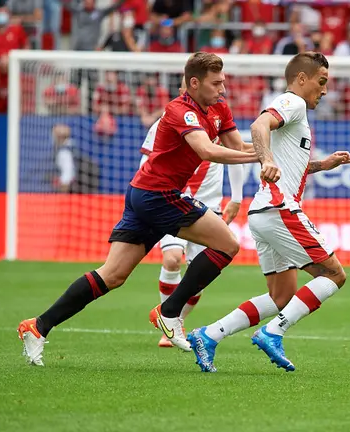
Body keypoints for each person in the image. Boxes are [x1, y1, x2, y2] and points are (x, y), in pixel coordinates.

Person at [17, 52, 259, 365]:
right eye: (216, 83)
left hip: (144, 194)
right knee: (227, 244)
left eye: (223, 82)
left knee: (112, 275)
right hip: (157, 195)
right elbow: (207, 150)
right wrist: (262, 157)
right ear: (195, 83)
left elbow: (237, 146)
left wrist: (270, 151)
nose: (222, 88)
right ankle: (169, 312)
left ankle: (37, 326)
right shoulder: (179, 109)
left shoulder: (219, 108)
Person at [187, 52, 350, 373]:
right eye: (321, 82)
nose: (324, 90)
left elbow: (291, 163)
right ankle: (273, 332)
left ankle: (207, 335)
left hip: (263, 212)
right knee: (334, 274)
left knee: (282, 297)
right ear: (302, 79)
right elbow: (259, 124)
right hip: (279, 207)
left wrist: (323, 164)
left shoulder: (296, 114)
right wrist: (265, 160)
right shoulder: (292, 102)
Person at [138, 77, 247, 348]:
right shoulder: (165, 123)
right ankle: (168, 322)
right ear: (182, 91)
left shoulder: (216, 120)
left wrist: (236, 197)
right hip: (171, 201)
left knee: (199, 278)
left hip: (208, 205)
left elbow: (235, 153)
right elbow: (147, 163)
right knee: (173, 258)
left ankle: (176, 320)